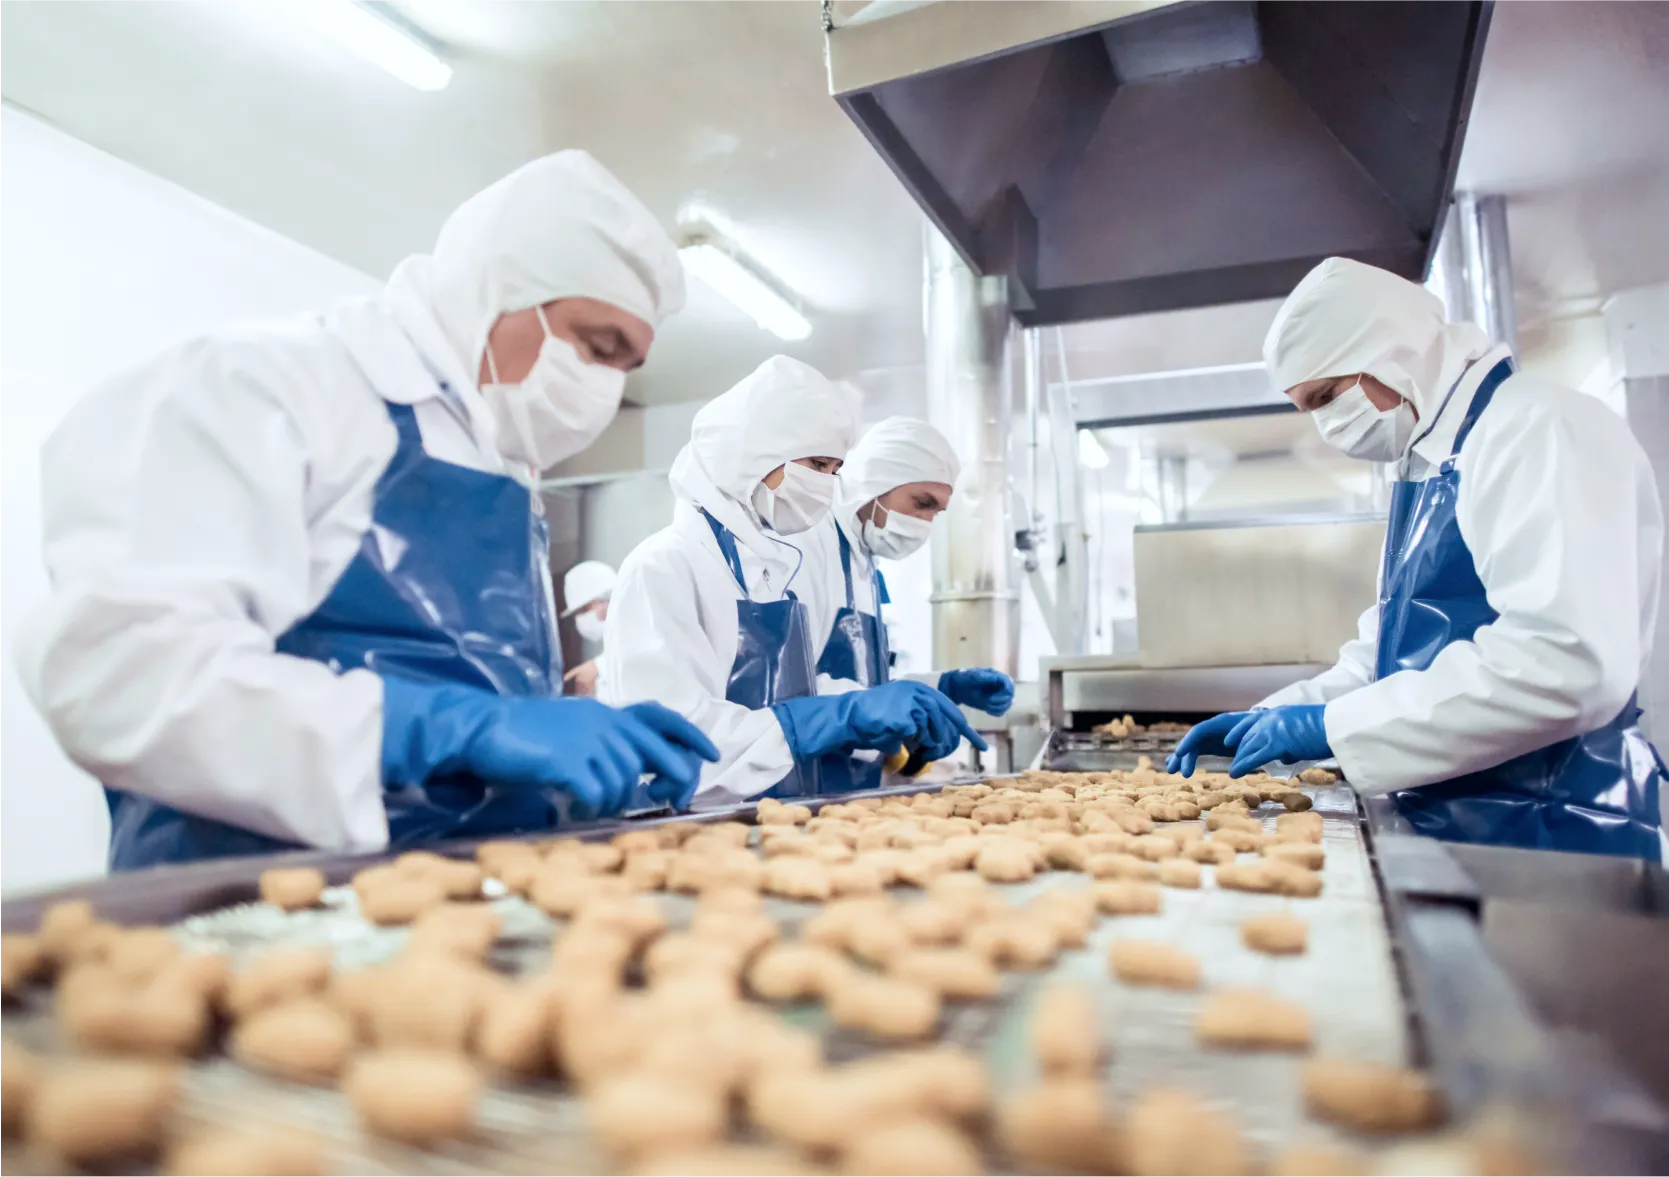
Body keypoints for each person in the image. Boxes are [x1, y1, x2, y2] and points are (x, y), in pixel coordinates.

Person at [15, 150, 720, 871]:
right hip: (246, 908)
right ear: (497, 290)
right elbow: (115, 673)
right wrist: (440, 728)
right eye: (597, 345)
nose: (601, 389)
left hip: (469, 903)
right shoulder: (268, 391)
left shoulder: (504, 472)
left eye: (625, 367)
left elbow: (480, 691)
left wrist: (561, 731)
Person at [1168, 257, 1664, 860]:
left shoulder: (1537, 429)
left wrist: (1328, 728)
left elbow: (1565, 662)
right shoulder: (1432, 465)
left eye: (1326, 396)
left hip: (1556, 829)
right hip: (1458, 816)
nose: (1327, 426)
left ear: (1388, 352)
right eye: (1308, 408)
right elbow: (1391, 657)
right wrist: (1279, 714)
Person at [603, 357, 986, 807]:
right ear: (754, 453)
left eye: (834, 471)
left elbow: (795, 699)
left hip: (770, 817)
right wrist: (826, 719)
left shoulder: (770, 572)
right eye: (817, 465)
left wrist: (874, 709)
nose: (826, 486)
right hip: (688, 833)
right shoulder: (664, 566)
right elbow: (669, 747)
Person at [789, 416, 1014, 790]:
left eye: (936, 512)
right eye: (921, 503)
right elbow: (786, 691)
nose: (925, 522)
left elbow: (864, 685)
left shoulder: (863, 559)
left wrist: (942, 685)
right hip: (800, 781)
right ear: (874, 484)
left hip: (851, 784)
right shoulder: (807, 547)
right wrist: (871, 710)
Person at [561, 560, 615, 697]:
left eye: (584, 610)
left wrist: (599, 667)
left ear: (608, 600)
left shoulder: (649, 628)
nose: (580, 619)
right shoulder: (613, 650)